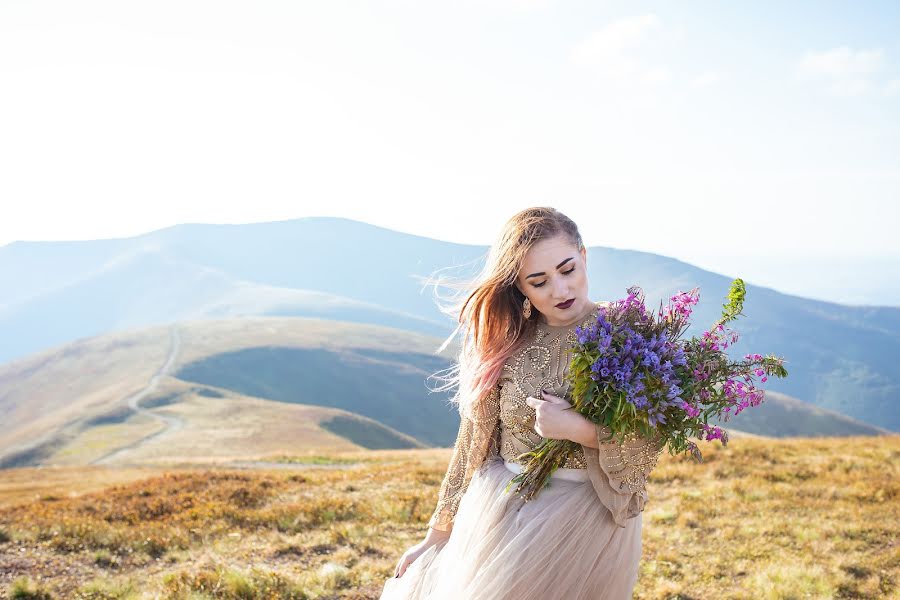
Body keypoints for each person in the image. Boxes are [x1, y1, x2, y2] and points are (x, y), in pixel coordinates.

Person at [379, 207, 667, 600]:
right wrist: (437, 534)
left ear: (584, 256)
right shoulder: (506, 341)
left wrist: (579, 430)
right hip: (500, 511)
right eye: (539, 281)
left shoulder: (628, 334)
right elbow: (474, 440)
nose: (560, 290)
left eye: (568, 270)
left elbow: (651, 435)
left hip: (587, 519)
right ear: (520, 287)